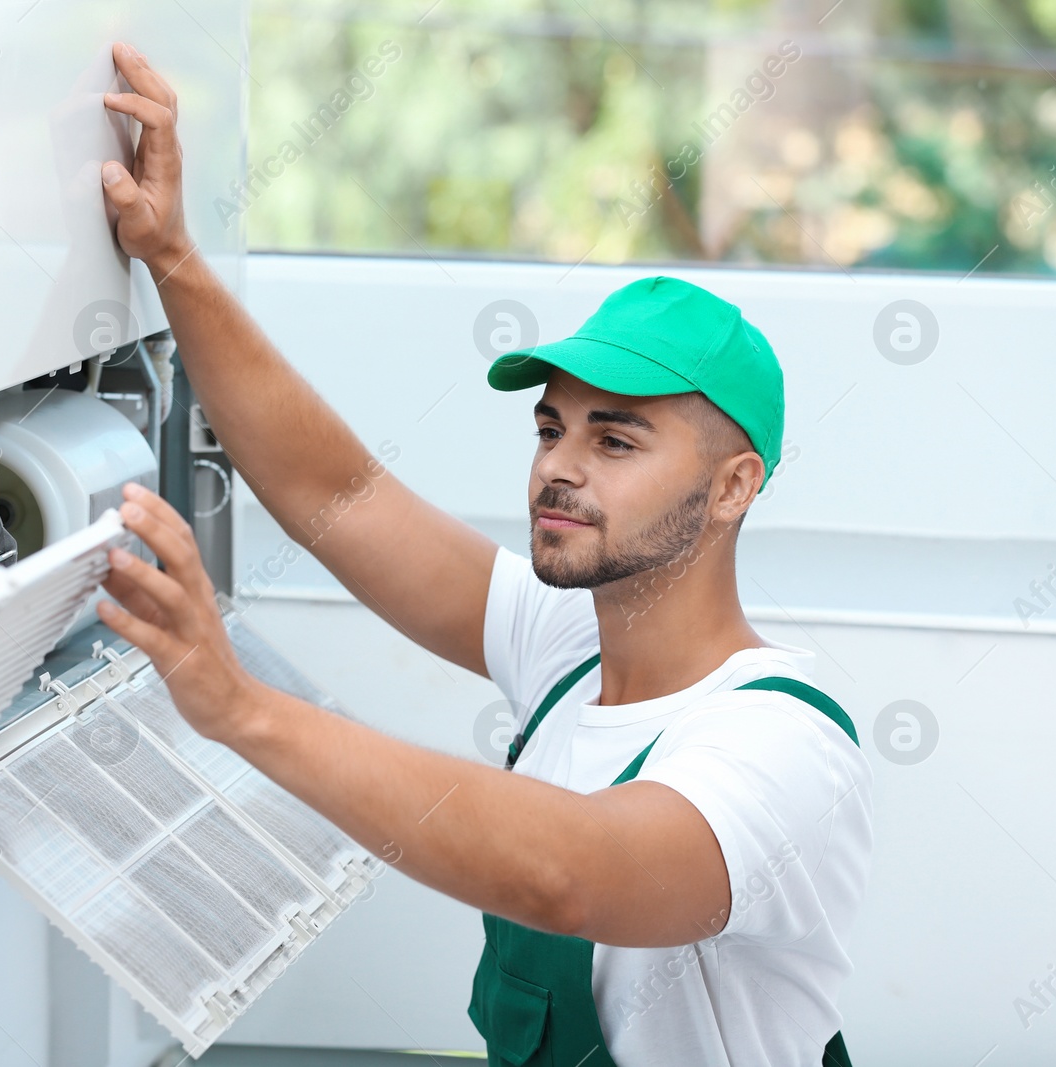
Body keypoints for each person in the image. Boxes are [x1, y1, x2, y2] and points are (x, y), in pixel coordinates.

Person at [89, 41, 872, 1067]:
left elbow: (570, 871)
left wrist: (240, 707)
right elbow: (335, 495)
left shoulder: (779, 745)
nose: (561, 467)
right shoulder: (570, 649)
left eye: (616, 438)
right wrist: (174, 258)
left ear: (732, 485)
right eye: (552, 428)